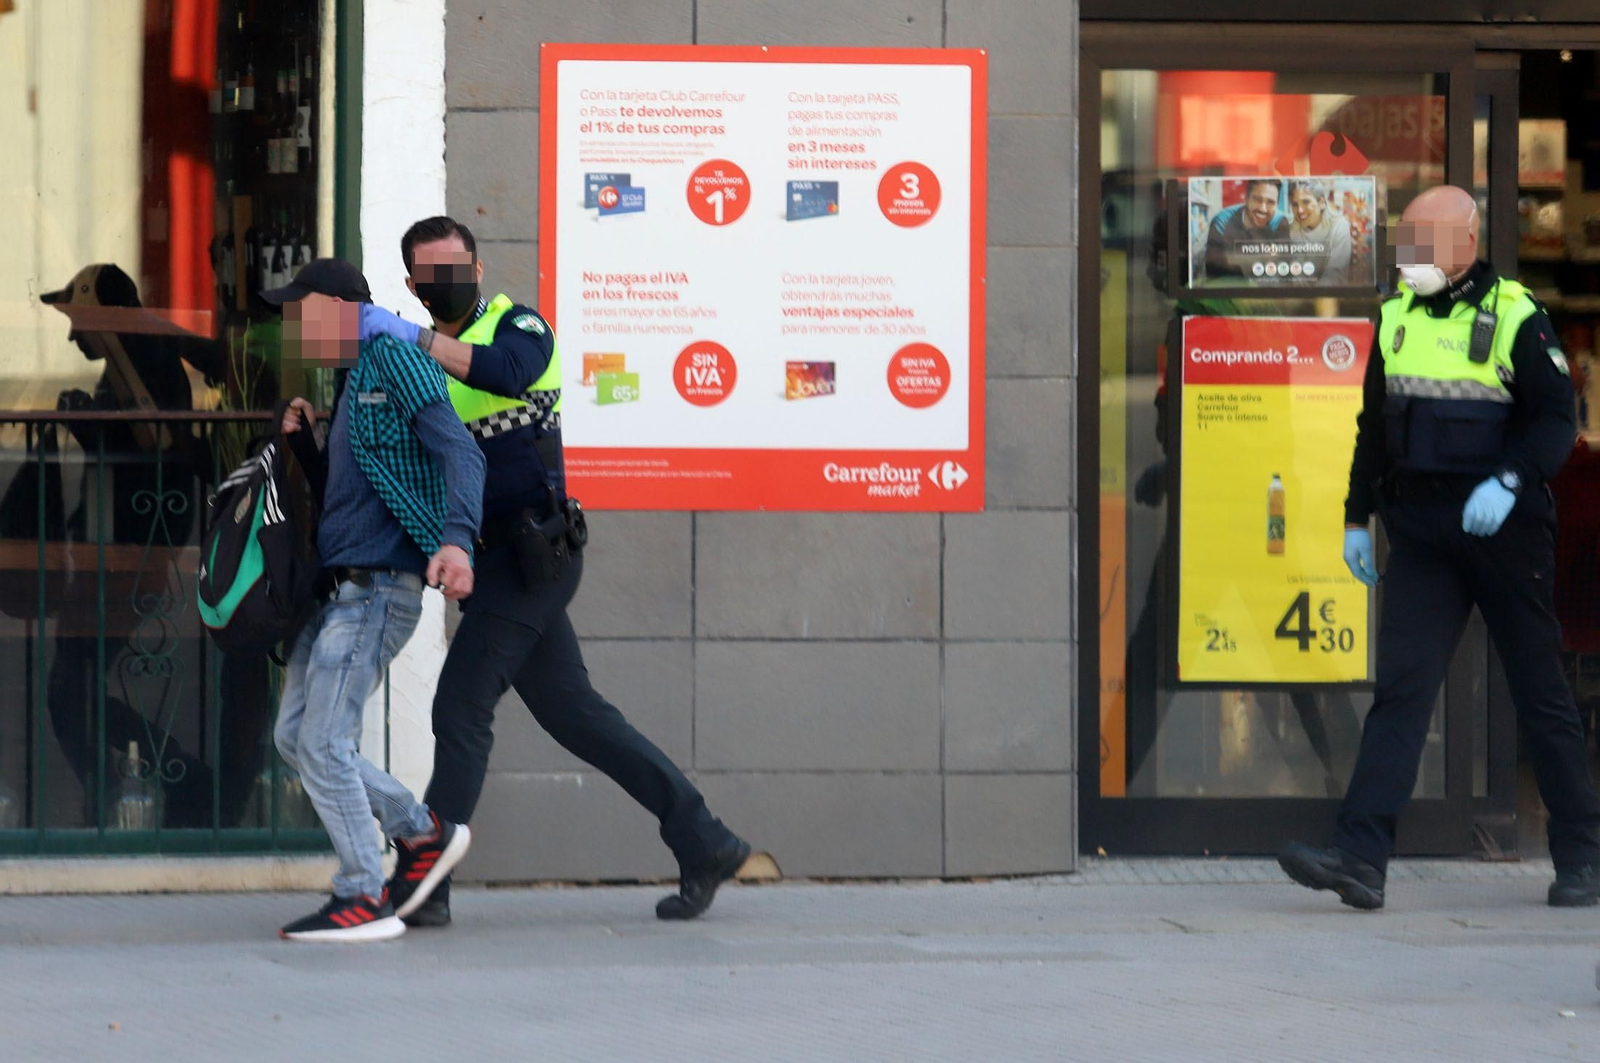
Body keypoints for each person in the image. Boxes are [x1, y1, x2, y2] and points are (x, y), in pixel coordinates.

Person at [356, 216, 750, 926]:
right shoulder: (421, 358)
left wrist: (408, 334)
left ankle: (426, 885)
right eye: (429, 275)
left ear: (477, 270)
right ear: (413, 286)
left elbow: (507, 374)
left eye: (457, 267)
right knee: (580, 718)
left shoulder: (521, 327)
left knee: (459, 708)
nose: (445, 281)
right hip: (495, 560)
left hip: (537, 555)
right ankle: (705, 838)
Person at [1279, 185, 1600, 910]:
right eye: (1405, 242)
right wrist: (1356, 517)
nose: (1408, 257)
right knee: (1401, 690)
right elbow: (1372, 427)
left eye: (1422, 243)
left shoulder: (1516, 314)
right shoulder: (1393, 317)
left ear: (1465, 242)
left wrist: (1510, 480)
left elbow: (1557, 421)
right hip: (1422, 531)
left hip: (1503, 531)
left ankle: (1583, 853)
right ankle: (1361, 857)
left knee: (1539, 690)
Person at [264, 258, 485, 942]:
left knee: (324, 742)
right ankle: (420, 834)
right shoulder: (356, 376)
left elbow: (461, 453)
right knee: (295, 737)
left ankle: (364, 893)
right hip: (342, 589)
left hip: (377, 590)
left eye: (300, 312)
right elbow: (356, 498)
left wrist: (457, 541)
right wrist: (306, 451)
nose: (292, 327)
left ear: (334, 307)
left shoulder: (394, 359)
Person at [1203, 179, 1287, 281]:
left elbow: (1284, 268)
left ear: (1277, 205)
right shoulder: (1222, 222)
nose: (1263, 209)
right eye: (1257, 199)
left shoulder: (1279, 222)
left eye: (1271, 202)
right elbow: (1214, 271)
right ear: (1246, 198)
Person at [1287, 179, 1352, 285]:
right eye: (1295, 204)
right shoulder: (1292, 231)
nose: (1300, 210)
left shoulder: (1339, 226)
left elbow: (1335, 275)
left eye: (1306, 202)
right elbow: (1297, 276)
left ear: (1321, 203)